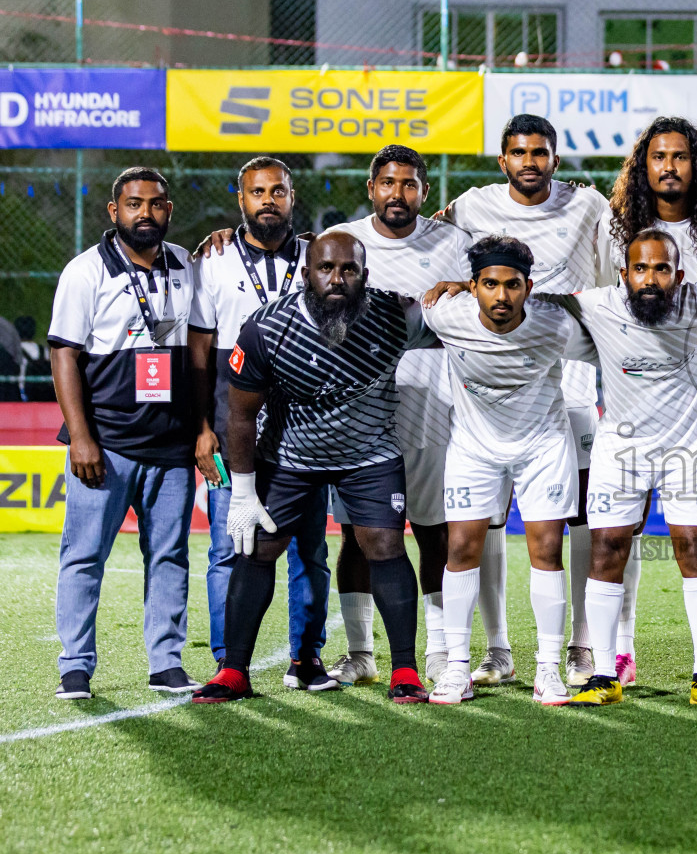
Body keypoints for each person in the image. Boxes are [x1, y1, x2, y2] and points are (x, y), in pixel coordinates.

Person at [535, 230, 697, 708]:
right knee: (606, 553)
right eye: (641, 269)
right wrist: (467, 285)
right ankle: (603, 674)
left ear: (680, 275)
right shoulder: (598, 303)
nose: (651, 279)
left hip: (685, 452)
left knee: (696, 554)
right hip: (619, 452)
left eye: (662, 269)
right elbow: (540, 296)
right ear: (624, 274)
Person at [191, 231, 438, 705]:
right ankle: (234, 671)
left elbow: (466, 325)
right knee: (257, 549)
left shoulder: (397, 316)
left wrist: (461, 290)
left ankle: (404, 669)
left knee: (384, 545)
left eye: (349, 269)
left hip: (369, 455)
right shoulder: (265, 328)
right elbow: (240, 417)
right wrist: (243, 492)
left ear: (365, 275)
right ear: (306, 274)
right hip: (289, 457)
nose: (337, 278)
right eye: (326, 268)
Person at [438, 114, 606, 689]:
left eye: (540, 153)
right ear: (502, 159)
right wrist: (457, 286)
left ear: (556, 160)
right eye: (518, 152)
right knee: (473, 534)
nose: (529, 162)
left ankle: (578, 649)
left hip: (565, 390)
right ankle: (490, 650)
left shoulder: (588, 206)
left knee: (569, 528)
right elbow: (429, 244)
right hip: (485, 404)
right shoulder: (469, 207)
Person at [604, 117, 697, 687]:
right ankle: (620, 649)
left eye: (681, 156)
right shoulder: (616, 227)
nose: (669, 166)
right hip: (630, 398)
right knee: (625, 526)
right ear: (643, 166)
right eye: (658, 156)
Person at [47, 167, 209, 700]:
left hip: (171, 446)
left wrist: (201, 428)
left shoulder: (187, 264)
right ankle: (75, 665)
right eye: (135, 204)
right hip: (107, 444)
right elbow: (64, 354)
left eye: (157, 204)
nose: (147, 213)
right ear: (114, 212)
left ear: (168, 211)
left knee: (169, 556)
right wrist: (81, 435)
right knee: (84, 556)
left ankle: (165, 663)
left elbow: (200, 349)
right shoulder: (85, 271)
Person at [323, 146, 479, 687]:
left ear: (424, 193)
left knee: (434, 531)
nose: (398, 194)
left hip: (435, 407)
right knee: (357, 535)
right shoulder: (344, 242)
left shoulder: (454, 245)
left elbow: (483, 304)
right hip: (360, 412)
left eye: (409, 185)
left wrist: (460, 286)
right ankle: (361, 653)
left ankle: (437, 652)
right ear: (371, 187)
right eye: (388, 183)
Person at [420, 236, 582, 706]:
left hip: (542, 445)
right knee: (461, 548)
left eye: (512, 285)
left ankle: (549, 670)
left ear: (529, 287)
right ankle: (455, 669)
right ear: (473, 287)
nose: (501, 296)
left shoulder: (557, 326)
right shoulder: (444, 313)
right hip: (473, 447)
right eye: (489, 284)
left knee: (547, 551)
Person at [190, 156, 332, 688]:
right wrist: (202, 428)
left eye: (278, 191)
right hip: (235, 437)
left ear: (293, 198)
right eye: (257, 192)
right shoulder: (214, 261)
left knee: (309, 550)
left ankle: (306, 658)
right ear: (241, 201)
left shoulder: (319, 258)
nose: (268, 200)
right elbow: (200, 354)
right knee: (230, 548)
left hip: (307, 438)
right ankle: (231, 662)